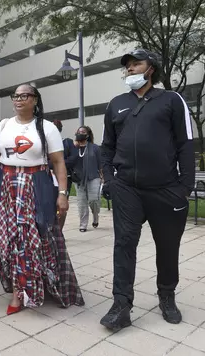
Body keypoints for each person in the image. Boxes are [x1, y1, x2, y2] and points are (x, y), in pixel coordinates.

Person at [100, 49, 194, 331]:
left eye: (136, 64)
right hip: (126, 188)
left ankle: (166, 296)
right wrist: (111, 180)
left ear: (150, 68)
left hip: (166, 188)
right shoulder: (116, 104)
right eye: (127, 66)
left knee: (167, 247)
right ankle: (121, 304)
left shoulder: (171, 100)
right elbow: (107, 147)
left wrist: (185, 187)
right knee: (124, 244)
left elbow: (185, 144)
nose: (130, 69)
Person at [0, 84, 84, 315]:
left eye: (24, 96)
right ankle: (17, 288)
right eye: (16, 96)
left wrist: (62, 194)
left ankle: (32, 287)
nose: (19, 99)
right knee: (9, 239)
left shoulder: (47, 127)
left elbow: (59, 162)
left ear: (35, 100)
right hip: (6, 186)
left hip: (35, 186)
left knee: (34, 239)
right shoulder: (4, 125)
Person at [73, 126, 102, 232]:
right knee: (81, 202)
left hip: (93, 177)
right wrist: (74, 145)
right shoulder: (73, 148)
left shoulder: (95, 148)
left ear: (88, 135)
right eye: (79, 131)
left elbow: (100, 164)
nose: (80, 133)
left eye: (83, 132)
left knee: (94, 200)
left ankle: (95, 216)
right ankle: (83, 224)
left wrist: (103, 177)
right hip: (78, 179)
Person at [50, 120, 78, 229]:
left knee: (61, 205)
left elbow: (74, 159)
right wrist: (57, 163)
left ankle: (59, 230)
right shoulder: (44, 144)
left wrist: (58, 163)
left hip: (64, 178)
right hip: (48, 177)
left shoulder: (68, 143)